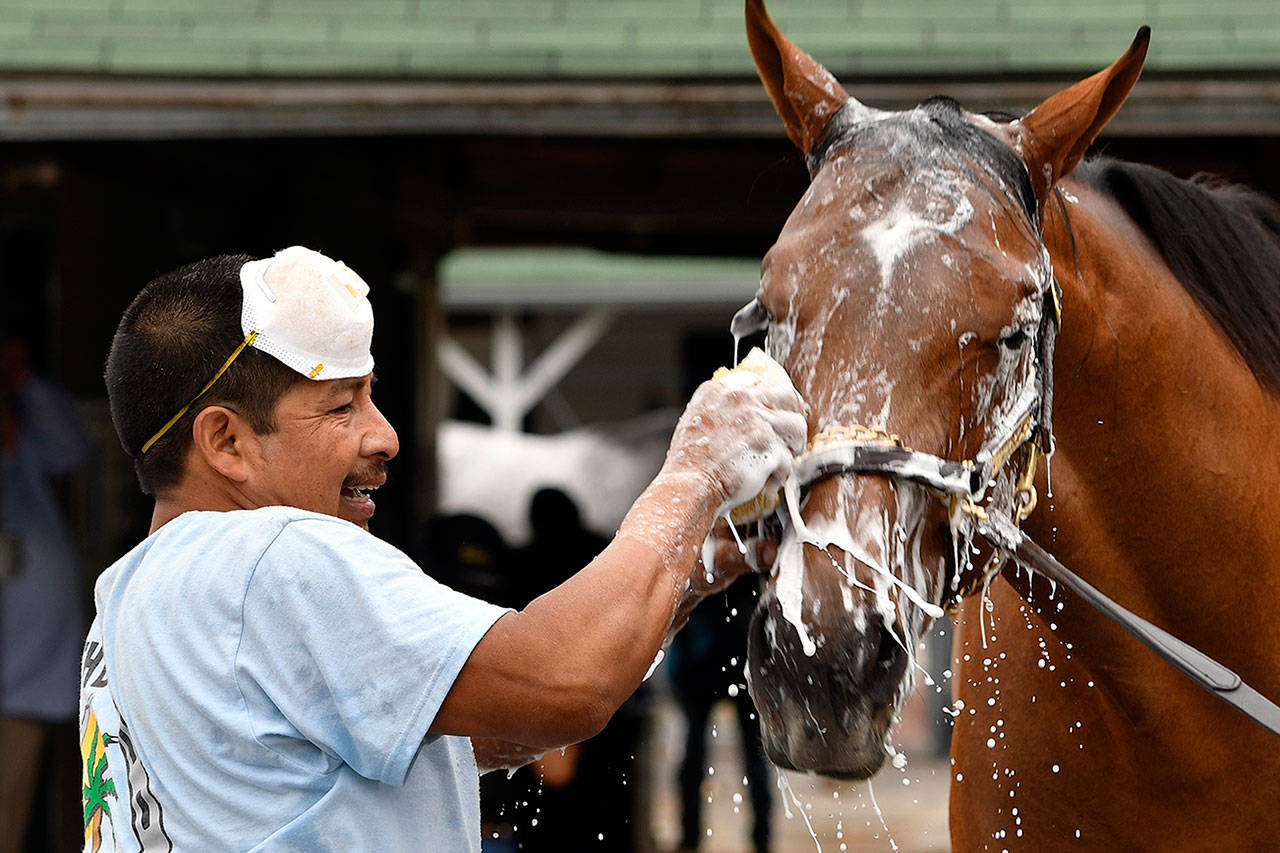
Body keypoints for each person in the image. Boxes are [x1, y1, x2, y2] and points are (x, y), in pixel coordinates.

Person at [80, 246, 806, 851]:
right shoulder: (277, 556)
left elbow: (462, 732)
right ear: (226, 441)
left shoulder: (123, 604)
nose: (385, 435)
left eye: (372, 396)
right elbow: (564, 683)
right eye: (342, 405)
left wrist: (686, 570)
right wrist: (698, 467)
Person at [1, 334, 93, 853]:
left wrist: (22, 382)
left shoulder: (28, 443)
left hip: (26, 673)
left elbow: (71, 448)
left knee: (12, 810)